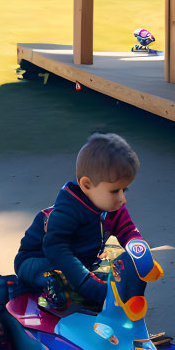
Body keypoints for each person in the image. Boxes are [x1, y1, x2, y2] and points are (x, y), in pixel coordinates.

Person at [14, 132, 142, 312]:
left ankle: (72, 284)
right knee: (51, 274)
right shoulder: (67, 212)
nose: (122, 199)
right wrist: (85, 283)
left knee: (110, 279)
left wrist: (139, 250)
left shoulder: (112, 207)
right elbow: (57, 250)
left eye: (124, 190)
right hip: (39, 259)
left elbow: (127, 230)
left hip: (82, 260)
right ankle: (49, 286)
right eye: (115, 191)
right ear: (87, 185)